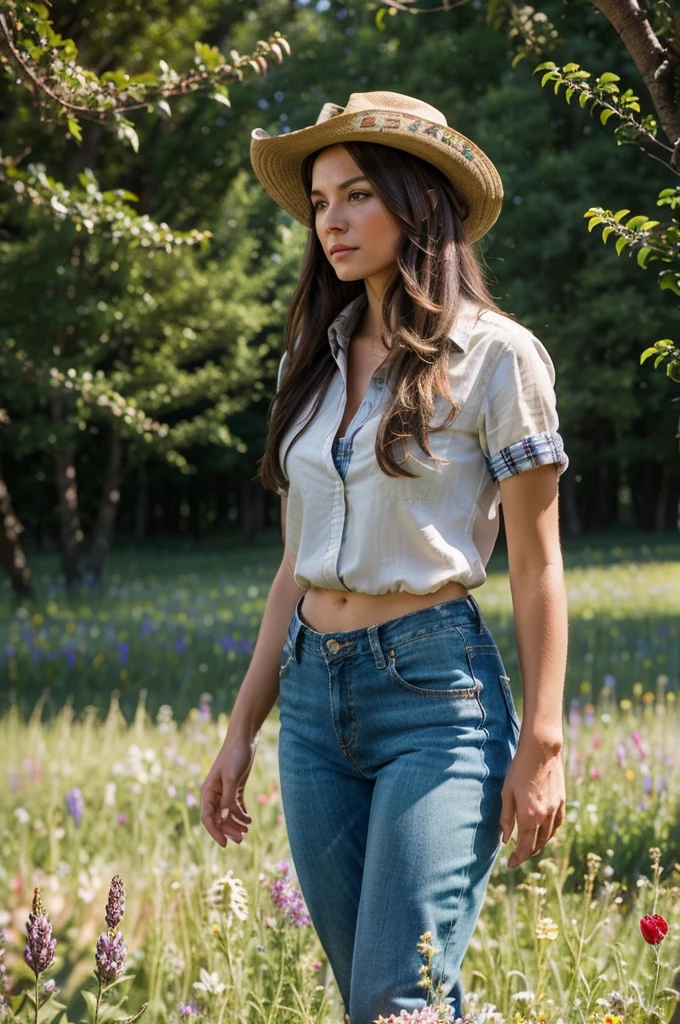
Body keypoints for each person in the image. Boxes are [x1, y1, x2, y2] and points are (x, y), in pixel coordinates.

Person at [200, 91, 569, 1024]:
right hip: (314, 707)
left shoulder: (499, 358)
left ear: (421, 202)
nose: (331, 219)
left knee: (393, 995)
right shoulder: (310, 361)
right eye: (321, 200)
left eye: (357, 193)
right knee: (382, 997)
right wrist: (242, 730)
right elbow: (298, 565)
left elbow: (537, 563)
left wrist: (544, 740)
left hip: (436, 700)